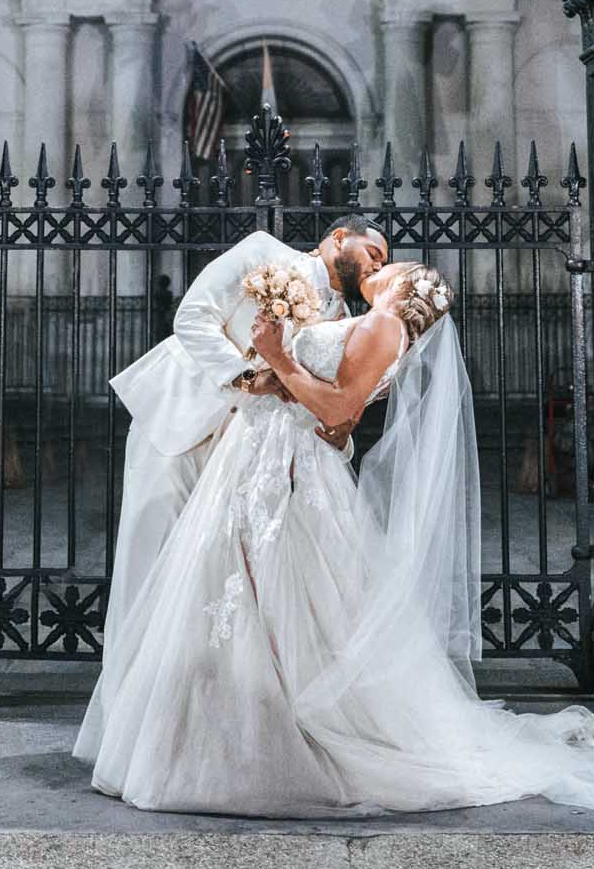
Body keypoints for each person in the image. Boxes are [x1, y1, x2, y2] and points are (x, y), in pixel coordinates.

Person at [77, 261, 594, 825]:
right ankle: (239, 718)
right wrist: (271, 367)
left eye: (395, 269)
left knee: (283, 600)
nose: (381, 267)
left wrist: (276, 360)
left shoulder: (380, 329)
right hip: (264, 463)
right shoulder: (364, 320)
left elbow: (336, 413)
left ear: (409, 294)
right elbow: (323, 407)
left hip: (290, 470)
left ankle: (269, 737)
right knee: (252, 597)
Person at [100, 217, 387, 648]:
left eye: (383, 265)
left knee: (214, 577)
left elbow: (317, 398)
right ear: (340, 238)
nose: (377, 268)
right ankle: (134, 687)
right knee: (153, 560)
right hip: (183, 425)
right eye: (373, 255)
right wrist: (246, 377)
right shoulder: (263, 252)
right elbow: (193, 317)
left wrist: (338, 432)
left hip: (248, 457)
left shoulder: (343, 319)